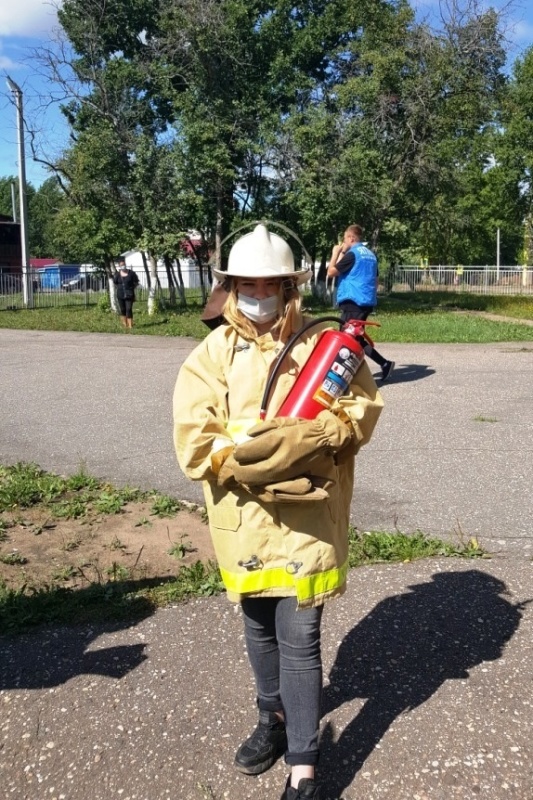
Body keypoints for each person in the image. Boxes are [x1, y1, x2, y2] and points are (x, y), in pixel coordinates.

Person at [173, 223, 384, 800]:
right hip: (242, 519)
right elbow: (194, 438)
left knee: (300, 634)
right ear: (231, 286)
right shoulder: (211, 354)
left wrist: (320, 434)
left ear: (290, 288)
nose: (259, 295)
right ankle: (273, 718)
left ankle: (304, 768)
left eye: (271, 285)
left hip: (306, 517)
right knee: (257, 626)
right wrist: (242, 458)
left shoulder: (326, 348)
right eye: (249, 284)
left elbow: (362, 408)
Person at [327, 224, 395, 382]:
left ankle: (343, 375)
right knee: (354, 337)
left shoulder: (353, 254)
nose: (343, 242)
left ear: (351, 238)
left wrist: (335, 252)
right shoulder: (370, 255)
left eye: (344, 239)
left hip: (353, 301)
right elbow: (376, 280)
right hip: (366, 301)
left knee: (348, 338)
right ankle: (381, 364)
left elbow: (331, 272)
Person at [112, 258, 139, 329]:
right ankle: (125, 324)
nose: (123, 266)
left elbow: (136, 282)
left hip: (129, 294)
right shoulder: (117, 275)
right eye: (121, 265)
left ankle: (130, 325)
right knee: (123, 309)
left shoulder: (131, 273)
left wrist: (131, 288)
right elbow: (115, 283)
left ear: (125, 265)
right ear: (119, 266)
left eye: (123, 265)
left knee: (129, 309)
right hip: (120, 295)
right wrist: (120, 288)